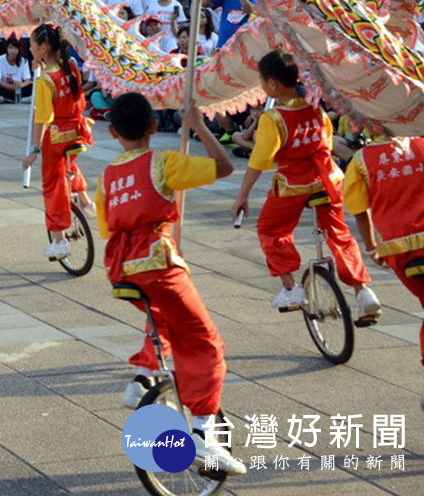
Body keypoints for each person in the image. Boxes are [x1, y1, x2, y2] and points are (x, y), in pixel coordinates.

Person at [94, 94, 246, 477]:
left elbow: (107, 227)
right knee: (205, 342)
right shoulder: (163, 162)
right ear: (152, 127)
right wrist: (196, 125)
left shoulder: (107, 176)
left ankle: (143, 375)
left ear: (112, 132)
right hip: (158, 263)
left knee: (164, 319)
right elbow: (224, 166)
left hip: (121, 268)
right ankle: (202, 433)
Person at [232, 50, 380, 320]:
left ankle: (291, 288)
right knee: (340, 235)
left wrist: (242, 196)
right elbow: (327, 140)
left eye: (262, 81)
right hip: (329, 179)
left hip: (293, 184)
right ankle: (363, 291)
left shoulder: (273, 118)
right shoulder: (316, 108)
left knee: (271, 229)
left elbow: (259, 159)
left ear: (273, 84)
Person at [343, 136, 424, 408]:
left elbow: (359, 211)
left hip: (398, 251)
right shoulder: (421, 144)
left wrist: (371, 249)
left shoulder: (362, 159)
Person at [21, 24, 94, 259]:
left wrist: (34, 149)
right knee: (68, 164)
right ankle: (84, 199)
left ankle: (60, 240)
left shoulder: (45, 80)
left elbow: (42, 118)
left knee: (52, 188)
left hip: (56, 137)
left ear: (42, 48)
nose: (29, 47)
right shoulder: (71, 66)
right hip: (77, 129)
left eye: (32, 44)